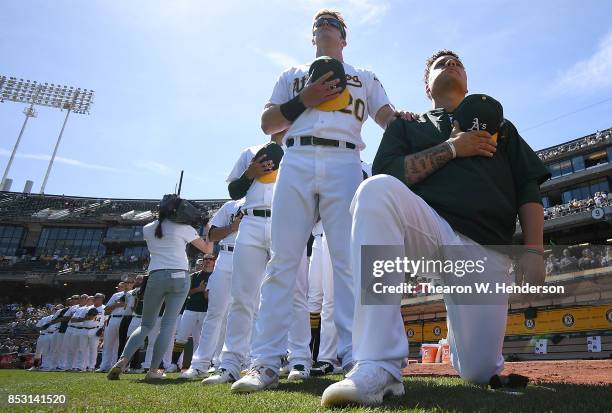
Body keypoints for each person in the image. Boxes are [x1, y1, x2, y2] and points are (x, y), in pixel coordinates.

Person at [320, 49, 550, 406]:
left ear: (468, 80)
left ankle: (458, 342)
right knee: (375, 191)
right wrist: (453, 148)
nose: (452, 64)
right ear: (427, 86)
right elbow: (389, 175)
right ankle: (378, 363)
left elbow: (528, 187)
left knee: (479, 371)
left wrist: (534, 249)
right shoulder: (407, 125)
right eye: (441, 64)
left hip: (487, 250)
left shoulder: (500, 125)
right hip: (432, 231)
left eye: (458, 62)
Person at [231, 9, 408, 394]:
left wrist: (409, 125)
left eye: (334, 23)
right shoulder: (291, 74)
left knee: (346, 261)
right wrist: (304, 99)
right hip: (296, 157)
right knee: (283, 260)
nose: (325, 25)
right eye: (319, 23)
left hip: (345, 158)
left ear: (344, 38)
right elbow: (268, 123)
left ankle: (353, 357)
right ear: (313, 36)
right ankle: (264, 362)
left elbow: (387, 118)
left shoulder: (365, 75)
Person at [107, 195, 209, 381]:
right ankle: (153, 370)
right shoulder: (185, 228)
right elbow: (207, 249)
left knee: (146, 325)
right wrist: (208, 228)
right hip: (179, 276)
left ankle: (123, 359)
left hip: (155, 275)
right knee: (167, 326)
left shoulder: (147, 228)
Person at [180, 199, 243, 379]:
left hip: (252, 255)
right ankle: (200, 364)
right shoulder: (230, 205)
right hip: (225, 256)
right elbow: (212, 235)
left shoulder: (268, 196)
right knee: (215, 313)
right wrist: (233, 227)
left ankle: (246, 362)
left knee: (250, 310)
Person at [168, 255, 214, 371]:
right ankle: (173, 364)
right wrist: (198, 289)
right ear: (202, 262)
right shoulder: (194, 276)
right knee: (181, 337)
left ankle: (199, 365)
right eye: (206, 259)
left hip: (207, 311)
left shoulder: (217, 276)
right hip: (190, 309)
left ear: (214, 262)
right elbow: (185, 293)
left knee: (203, 340)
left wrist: (208, 294)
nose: (208, 261)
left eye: (211, 259)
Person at [97, 282, 130, 372]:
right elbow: (106, 310)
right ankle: (104, 366)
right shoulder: (116, 295)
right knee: (108, 344)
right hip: (113, 319)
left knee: (121, 345)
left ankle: (118, 366)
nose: (121, 287)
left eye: (125, 285)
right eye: (120, 286)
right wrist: (116, 304)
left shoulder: (132, 294)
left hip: (125, 319)